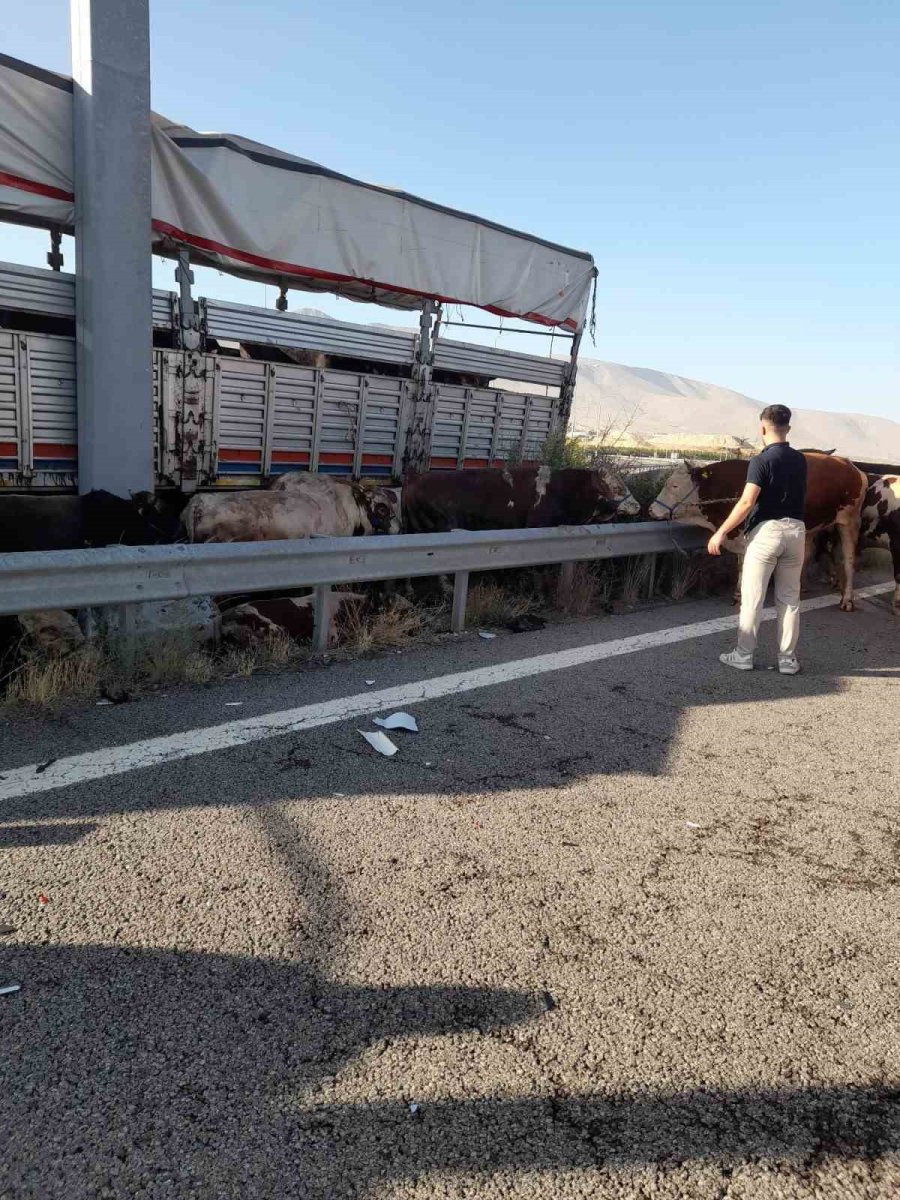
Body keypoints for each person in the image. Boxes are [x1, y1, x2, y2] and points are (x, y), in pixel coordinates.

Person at [707, 404, 808, 674]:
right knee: (789, 600)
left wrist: (721, 531)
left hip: (767, 533)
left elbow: (746, 502)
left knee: (753, 598)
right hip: (797, 531)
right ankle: (787, 659)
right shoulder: (800, 460)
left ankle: (743, 655)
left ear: (762, 427)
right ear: (788, 428)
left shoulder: (761, 461)